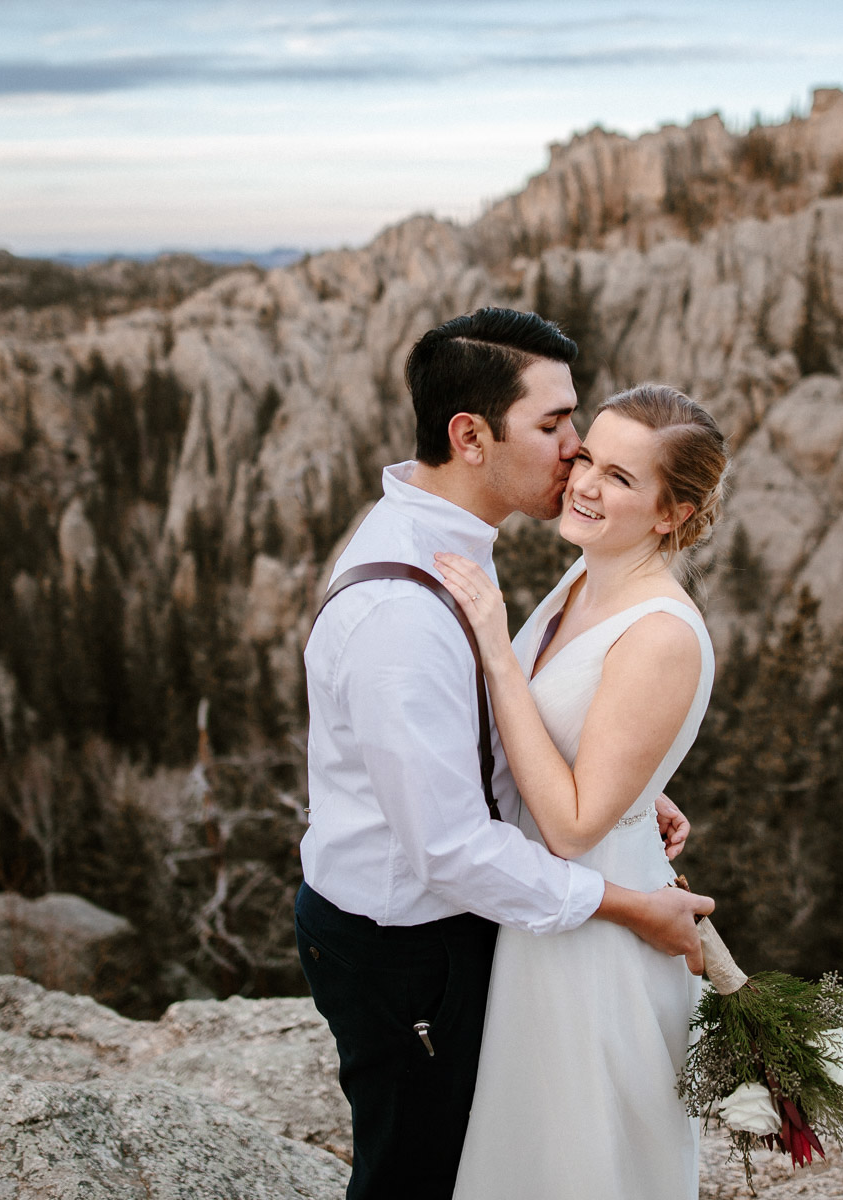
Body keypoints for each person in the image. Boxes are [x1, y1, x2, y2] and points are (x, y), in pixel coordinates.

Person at [295, 308, 715, 1200]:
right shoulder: (403, 613)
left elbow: (494, 730)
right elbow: (446, 847)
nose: (574, 457)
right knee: (415, 1178)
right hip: (405, 943)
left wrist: (628, 785)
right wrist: (629, 905)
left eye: (589, 436)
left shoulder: (453, 549)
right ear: (470, 436)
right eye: (558, 427)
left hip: (479, 932)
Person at [435, 383, 728, 1200]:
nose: (586, 483)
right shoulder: (585, 576)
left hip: (598, 946)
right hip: (550, 919)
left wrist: (496, 649)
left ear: (672, 514)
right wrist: (644, 789)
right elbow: (581, 744)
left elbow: (567, 826)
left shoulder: (661, 634)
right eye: (588, 456)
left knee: (581, 1166)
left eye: (623, 479)